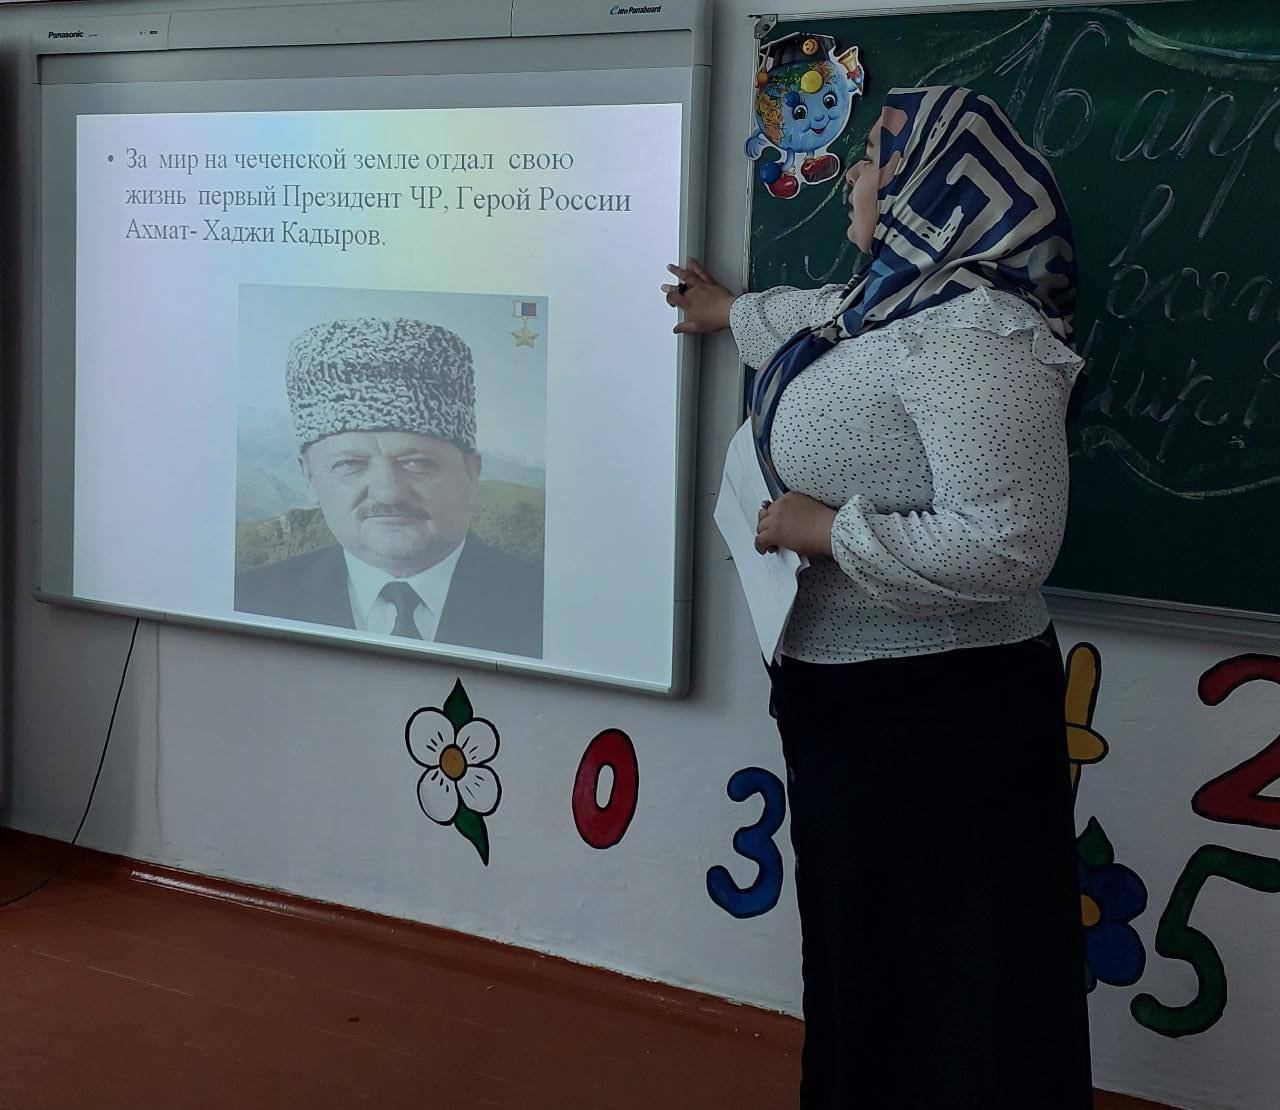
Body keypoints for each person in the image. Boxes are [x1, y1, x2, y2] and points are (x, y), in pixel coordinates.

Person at [663, 86, 1092, 1107]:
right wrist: (728, 313)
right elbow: (809, 318)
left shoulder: (980, 337)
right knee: (864, 962)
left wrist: (825, 532)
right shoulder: (885, 304)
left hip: (942, 714)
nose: (852, 175)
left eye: (871, 160)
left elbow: (1008, 545)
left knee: (958, 975)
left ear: (927, 189)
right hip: (848, 701)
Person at [235, 316, 543, 659]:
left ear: (472, 473)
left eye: (416, 463)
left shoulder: (542, 606)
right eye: (350, 465)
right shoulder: (248, 602)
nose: (388, 493)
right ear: (309, 477)